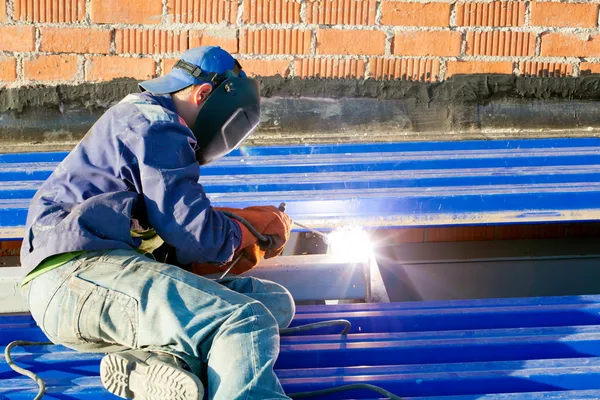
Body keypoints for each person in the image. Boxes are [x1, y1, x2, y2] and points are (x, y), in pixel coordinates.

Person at [19, 46, 294, 400]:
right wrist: (248, 230)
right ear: (203, 94)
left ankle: (157, 363)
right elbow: (196, 232)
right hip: (77, 275)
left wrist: (233, 231)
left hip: (87, 292)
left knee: (273, 302)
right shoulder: (157, 123)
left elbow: (175, 234)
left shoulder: (140, 127)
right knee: (244, 320)